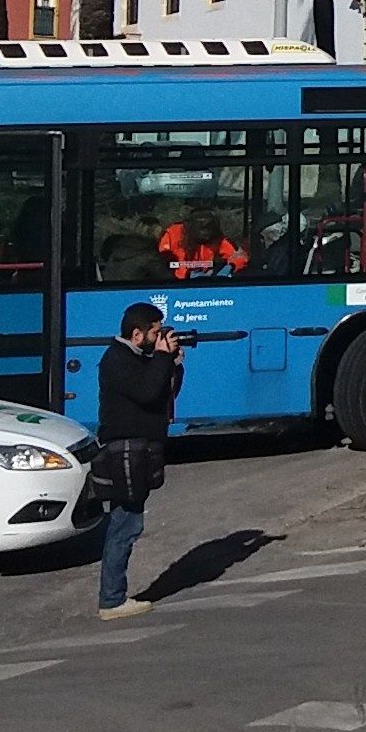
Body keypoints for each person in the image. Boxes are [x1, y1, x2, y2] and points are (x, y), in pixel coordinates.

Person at [92, 303, 182, 620]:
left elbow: (161, 395)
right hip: (125, 452)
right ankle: (112, 600)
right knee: (125, 524)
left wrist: (172, 364)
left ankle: (113, 597)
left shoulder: (138, 358)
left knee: (127, 522)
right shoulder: (117, 360)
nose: (160, 339)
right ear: (137, 333)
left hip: (139, 450)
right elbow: (145, 393)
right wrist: (161, 358)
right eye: (155, 333)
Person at [158, 208, 248, 280]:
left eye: (208, 227)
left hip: (208, 282)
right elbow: (162, 260)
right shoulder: (173, 234)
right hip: (176, 284)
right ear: (191, 226)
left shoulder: (217, 238)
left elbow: (239, 256)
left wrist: (230, 267)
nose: (205, 232)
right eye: (201, 227)